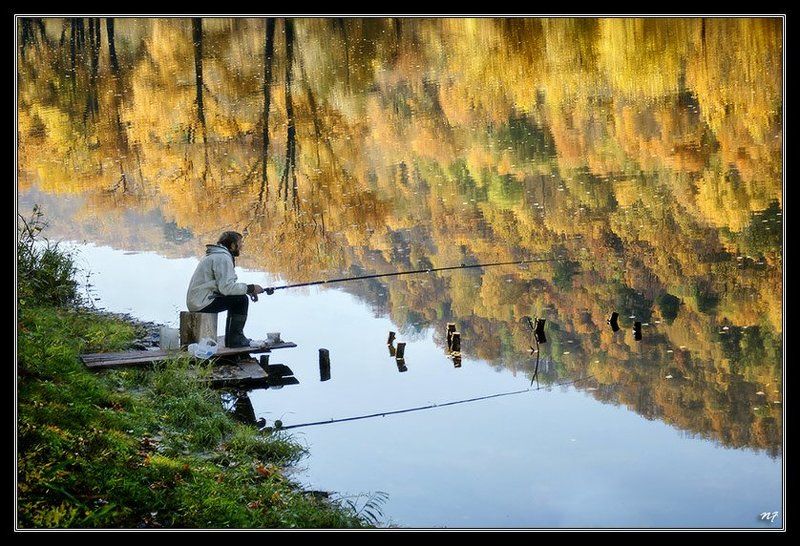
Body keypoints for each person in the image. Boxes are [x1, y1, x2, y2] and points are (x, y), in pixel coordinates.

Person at [186, 231, 273, 348]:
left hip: (199, 300)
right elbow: (226, 288)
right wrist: (251, 288)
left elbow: (223, 288)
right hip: (202, 303)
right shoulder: (222, 258)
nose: (242, 246)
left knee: (239, 298)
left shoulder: (217, 255)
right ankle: (235, 339)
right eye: (240, 243)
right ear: (232, 245)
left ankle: (233, 338)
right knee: (241, 300)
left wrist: (248, 290)